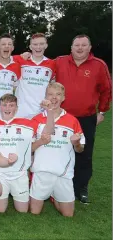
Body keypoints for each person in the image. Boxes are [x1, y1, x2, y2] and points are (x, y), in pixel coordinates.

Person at [54, 35, 111, 204]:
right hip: (62, 117)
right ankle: (57, 185)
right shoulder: (59, 61)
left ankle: (81, 187)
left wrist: (102, 111)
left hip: (86, 118)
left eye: (83, 45)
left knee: (84, 152)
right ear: (71, 47)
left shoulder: (99, 65)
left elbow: (107, 90)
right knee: (59, 150)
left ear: (89, 47)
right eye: (76, 45)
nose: (80, 48)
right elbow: (41, 64)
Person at [0, 94, 52, 213]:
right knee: (0, 210)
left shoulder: (27, 124)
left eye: (11, 105)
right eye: (4, 105)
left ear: (16, 108)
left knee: (23, 211)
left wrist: (49, 111)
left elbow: (49, 131)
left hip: (20, 174)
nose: (7, 108)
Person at [30, 82, 85, 217]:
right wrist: (41, 142)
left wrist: (76, 143)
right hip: (41, 172)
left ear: (63, 98)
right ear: (46, 97)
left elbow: (80, 150)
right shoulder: (36, 120)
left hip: (63, 174)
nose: (54, 98)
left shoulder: (72, 121)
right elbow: (29, 148)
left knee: (68, 215)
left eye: (58, 95)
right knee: (34, 213)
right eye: (50, 94)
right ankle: (50, 193)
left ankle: (54, 196)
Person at [0, 27, 57, 119]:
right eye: (35, 44)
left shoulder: (52, 64)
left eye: (41, 44)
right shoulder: (20, 60)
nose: (38, 47)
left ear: (46, 45)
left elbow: (53, 85)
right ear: (30, 46)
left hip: (42, 111)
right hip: (20, 112)